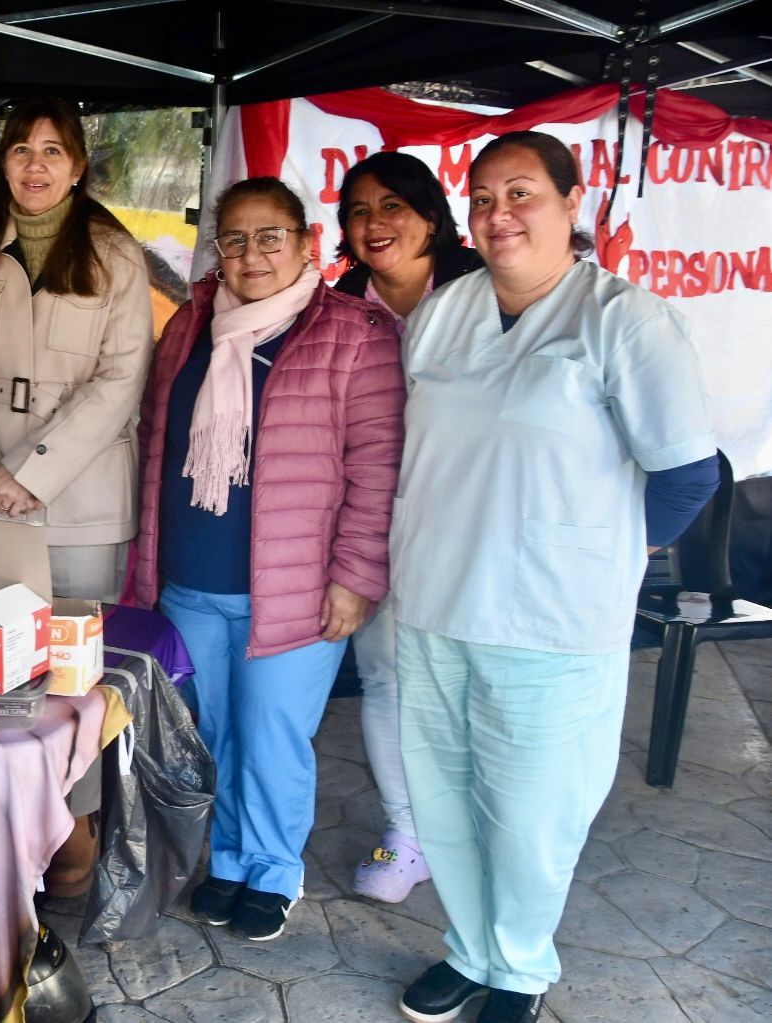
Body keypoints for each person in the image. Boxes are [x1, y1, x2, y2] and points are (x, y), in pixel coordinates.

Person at [393, 131, 718, 1023]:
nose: (501, 214)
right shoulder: (444, 312)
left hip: (551, 620)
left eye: (523, 193)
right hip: (432, 600)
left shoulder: (622, 318)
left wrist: (606, 554)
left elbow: (690, 471)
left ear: (573, 205)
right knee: (446, 797)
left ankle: (520, 971)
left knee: (532, 818)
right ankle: (467, 948)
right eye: (486, 197)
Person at [132, 177, 404, 942]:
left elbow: (377, 468)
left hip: (295, 586)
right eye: (236, 239)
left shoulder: (355, 332)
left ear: (307, 240)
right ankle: (226, 858)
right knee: (211, 731)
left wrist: (356, 577)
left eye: (270, 236)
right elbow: (160, 444)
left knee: (274, 735)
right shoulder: (189, 326)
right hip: (191, 578)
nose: (252, 253)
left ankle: (274, 869)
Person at [332, 151, 483, 904]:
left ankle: (480, 828)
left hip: (474, 526)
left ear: (431, 215)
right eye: (358, 210)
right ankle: (408, 836)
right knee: (389, 677)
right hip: (376, 524)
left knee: (471, 680)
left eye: (392, 205)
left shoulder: (483, 291)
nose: (375, 223)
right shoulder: (338, 307)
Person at [0, 98, 153, 603]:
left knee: (79, 665)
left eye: (53, 151)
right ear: (3, 165)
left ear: (76, 168)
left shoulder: (116, 254)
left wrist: (31, 473)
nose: (36, 165)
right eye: (21, 149)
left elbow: (121, 379)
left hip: (85, 501)